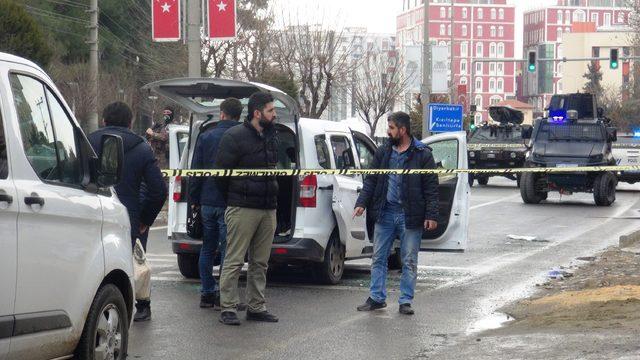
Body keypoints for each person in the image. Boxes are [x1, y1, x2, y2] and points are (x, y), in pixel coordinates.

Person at [353, 111, 439, 316]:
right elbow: (372, 181)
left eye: (391, 128)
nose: (388, 132)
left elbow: (431, 188)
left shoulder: (422, 154)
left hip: (410, 215)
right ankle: (376, 298)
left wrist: (432, 215)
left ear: (403, 130)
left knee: (409, 259)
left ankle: (405, 301)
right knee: (378, 257)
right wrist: (362, 203)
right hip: (385, 213)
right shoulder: (383, 153)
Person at [88, 101, 167, 322]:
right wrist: (145, 219)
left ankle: (97, 307)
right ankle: (141, 306)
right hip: (129, 217)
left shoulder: (87, 142)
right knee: (134, 261)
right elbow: (159, 190)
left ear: (104, 121)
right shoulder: (142, 148)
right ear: (130, 122)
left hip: (93, 212)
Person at [215, 92, 280, 326]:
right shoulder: (234, 137)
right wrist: (234, 199)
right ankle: (228, 307)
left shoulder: (272, 136)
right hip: (242, 207)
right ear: (257, 113)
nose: (275, 114)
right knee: (234, 260)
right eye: (271, 110)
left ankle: (256, 306)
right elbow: (220, 176)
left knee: (260, 262)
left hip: (267, 208)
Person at [189, 98, 242, 309]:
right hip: (231, 201)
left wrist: (194, 200)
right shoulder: (240, 137)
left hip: (207, 201)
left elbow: (195, 171)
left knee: (208, 248)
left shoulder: (206, 136)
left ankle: (206, 293)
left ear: (221, 114)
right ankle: (224, 294)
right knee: (229, 251)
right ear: (239, 115)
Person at [146, 106, 175, 170]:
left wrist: (152, 133)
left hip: (165, 156)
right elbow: (150, 137)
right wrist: (150, 131)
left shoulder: (172, 126)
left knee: (164, 175)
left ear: (172, 114)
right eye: (164, 112)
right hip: (157, 154)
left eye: (168, 112)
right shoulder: (162, 126)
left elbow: (164, 137)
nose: (165, 114)